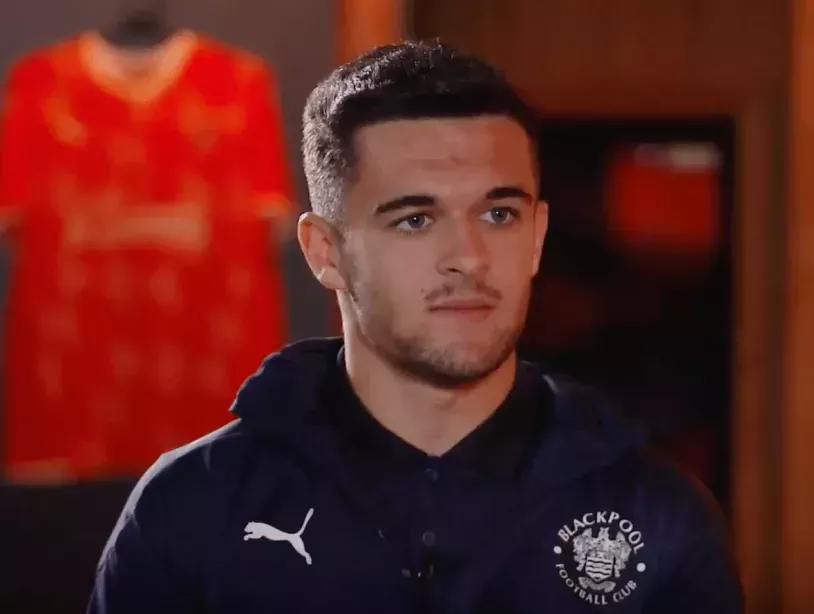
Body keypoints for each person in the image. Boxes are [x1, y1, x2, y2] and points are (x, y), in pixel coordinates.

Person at [87, 40, 743, 613]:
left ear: (538, 237)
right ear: (325, 252)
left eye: (499, 215)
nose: (469, 257)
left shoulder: (658, 519)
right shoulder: (194, 507)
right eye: (415, 220)